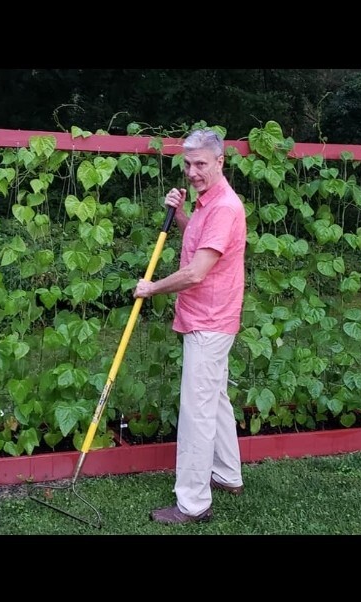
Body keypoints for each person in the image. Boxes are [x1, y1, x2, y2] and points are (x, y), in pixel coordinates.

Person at [133, 129, 247, 524]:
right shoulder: (206, 204)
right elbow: (201, 243)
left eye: (201, 163)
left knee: (196, 410)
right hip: (212, 318)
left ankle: (193, 503)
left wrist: (152, 289)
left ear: (220, 161)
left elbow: (196, 272)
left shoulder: (224, 207)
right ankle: (228, 475)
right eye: (188, 164)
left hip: (209, 321)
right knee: (214, 400)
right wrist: (181, 216)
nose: (193, 172)